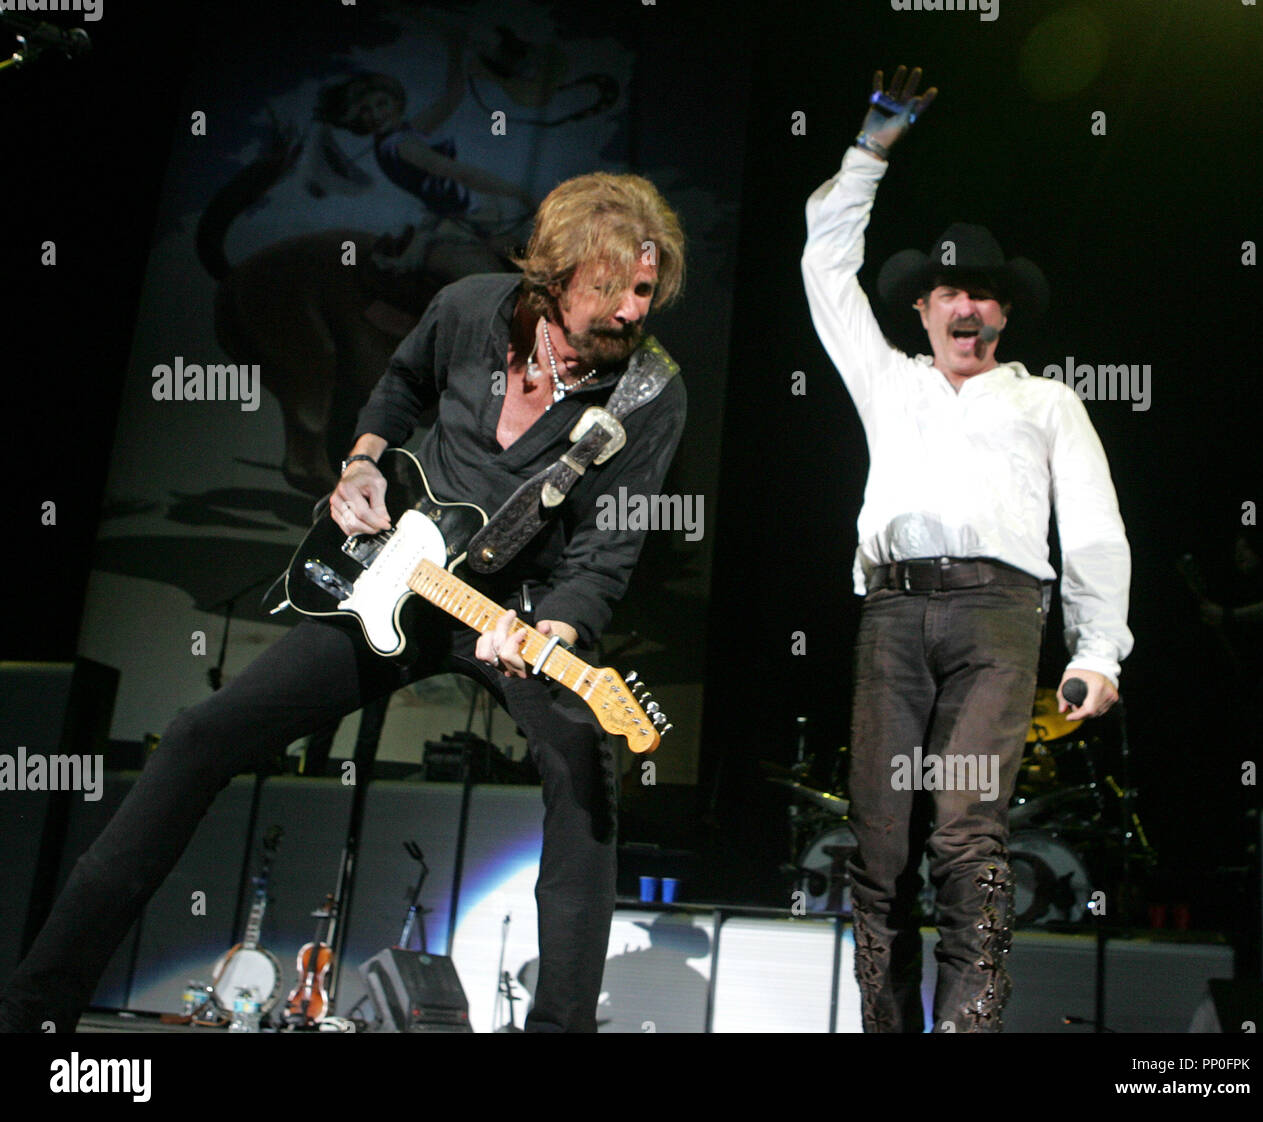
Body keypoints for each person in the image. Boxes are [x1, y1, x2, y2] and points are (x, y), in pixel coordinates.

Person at [0, 171, 686, 1034]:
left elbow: (607, 548)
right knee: (199, 738)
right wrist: (362, 462)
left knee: (586, 774)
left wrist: (561, 623)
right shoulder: (472, 307)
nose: (633, 310)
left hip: (517, 610)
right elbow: (398, 389)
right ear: (555, 274)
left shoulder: (651, 392)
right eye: (612, 288)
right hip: (401, 575)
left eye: (646, 290)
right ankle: (36, 1006)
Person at [801, 67, 1132, 1032]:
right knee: (877, 842)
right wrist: (870, 151)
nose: (967, 308)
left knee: (963, 829)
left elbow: (1096, 525)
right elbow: (825, 264)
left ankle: (967, 1030)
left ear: (1004, 314)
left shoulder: (1047, 401)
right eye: (950, 291)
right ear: (921, 307)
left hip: (998, 617)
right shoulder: (889, 382)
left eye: (984, 295)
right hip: (894, 613)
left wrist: (1097, 649)